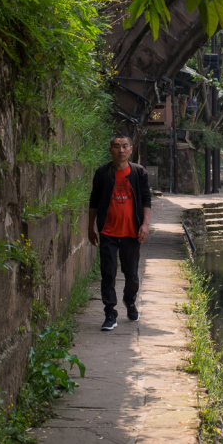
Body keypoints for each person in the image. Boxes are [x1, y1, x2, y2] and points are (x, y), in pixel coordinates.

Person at [88, 134, 152, 331]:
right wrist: (90, 227)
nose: (121, 150)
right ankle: (110, 312)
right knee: (108, 272)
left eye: (125, 146)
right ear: (110, 150)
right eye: (117, 146)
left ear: (131, 150)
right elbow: (94, 201)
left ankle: (130, 301)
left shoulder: (139, 173)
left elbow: (146, 200)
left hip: (132, 232)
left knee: (131, 274)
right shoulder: (102, 173)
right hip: (108, 231)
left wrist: (145, 225)